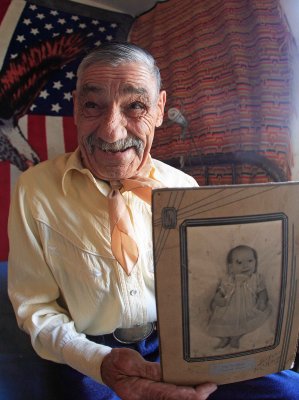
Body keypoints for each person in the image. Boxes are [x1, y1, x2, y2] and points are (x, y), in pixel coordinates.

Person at [7, 42, 299, 400]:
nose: (111, 131)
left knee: (288, 391)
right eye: (93, 105)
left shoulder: (183, 186)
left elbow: (206, 286)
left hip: (184, 343)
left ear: (160, 109)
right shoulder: (35, 189)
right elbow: (35, 307)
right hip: (91, 356)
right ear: (75, 107)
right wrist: (98, 361)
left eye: (136, 106)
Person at [208, 245, 271, 349]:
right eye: (239, 262)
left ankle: (236, 338)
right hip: (229, 309)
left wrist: (262, 300)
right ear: (231, 267)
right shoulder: (228, 280)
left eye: (250, 261)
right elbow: (220, 291)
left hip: (247, 309)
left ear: (255, 262)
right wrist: (218, 298)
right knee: (220, 322)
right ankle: (224, 338)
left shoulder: (256, 278)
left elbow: (262, 291)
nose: (246, 265)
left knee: (246, 322)